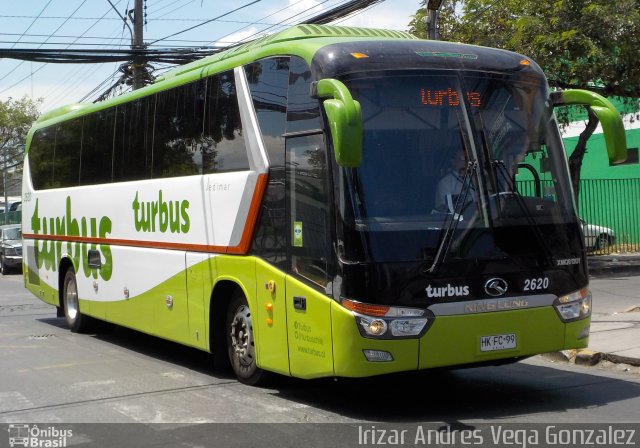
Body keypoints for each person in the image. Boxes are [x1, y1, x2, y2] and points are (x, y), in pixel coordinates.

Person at [434, 149, 473, 213]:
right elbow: (442, 208)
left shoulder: (474, 178)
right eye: (462, 158)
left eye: (467, 158)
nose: (466, 161)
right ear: (453, 161)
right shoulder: (444, 183)